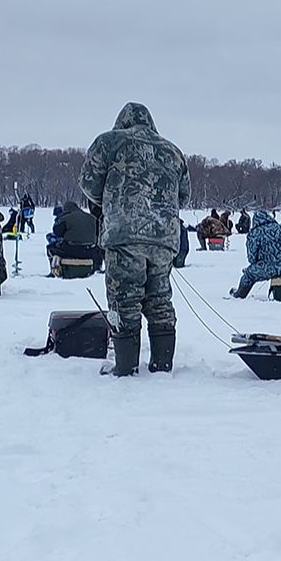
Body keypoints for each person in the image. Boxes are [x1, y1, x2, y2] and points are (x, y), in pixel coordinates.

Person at [80, 102, 190, 376]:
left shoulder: (109, 141)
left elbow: (88, 181)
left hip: (124, 233)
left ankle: (126, 366)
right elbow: (184, 195)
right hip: (165, 236)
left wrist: (108, 204)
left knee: (124, 297)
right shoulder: (173, 151)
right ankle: (162, 364)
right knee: (159, 297)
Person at [230, 210, 281, 298]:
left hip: (271, 267)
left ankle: (239, 295)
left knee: (249, 275)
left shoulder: (255, 233)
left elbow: (251, 258)